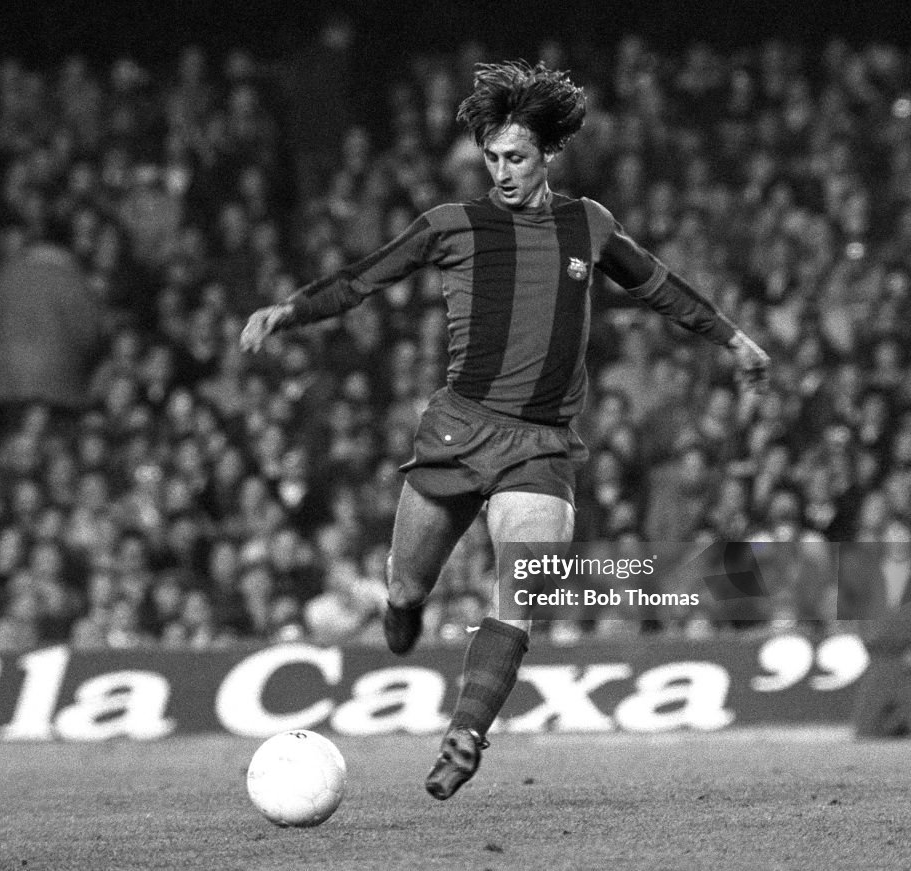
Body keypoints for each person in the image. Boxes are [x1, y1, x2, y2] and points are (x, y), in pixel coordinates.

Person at [242, 61, 770, 800]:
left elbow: (657, 284)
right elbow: (365, 278)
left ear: (549, 153)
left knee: (523, 588)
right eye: (491, 158)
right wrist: (290, 310)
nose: (503, 172)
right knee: (406, 585)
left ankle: (466, 730)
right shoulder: (453, 224)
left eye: (516, 157)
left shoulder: (589, 222)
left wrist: (732, 337)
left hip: (543, 445)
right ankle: (402, 608)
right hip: (459, 432)